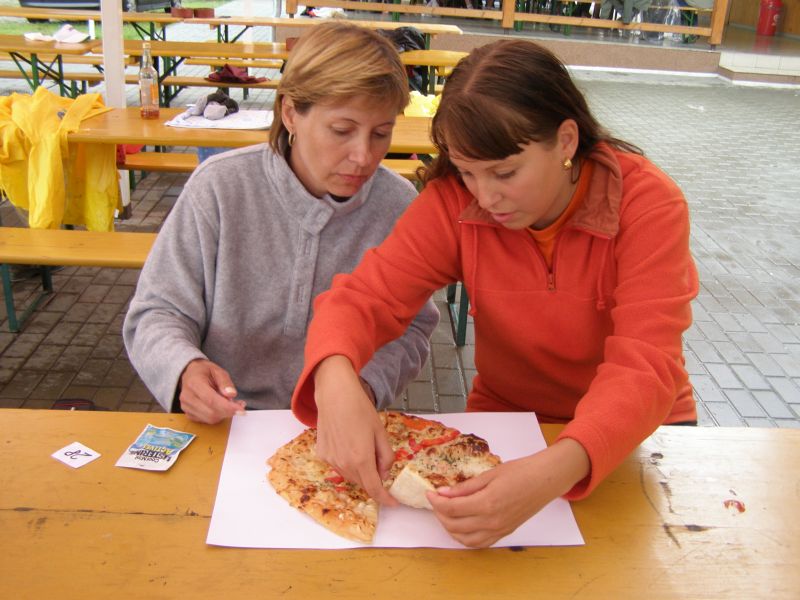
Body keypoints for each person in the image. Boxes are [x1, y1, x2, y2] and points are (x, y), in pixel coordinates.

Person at [291, 39, 699, 547]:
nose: (485, 196)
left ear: (566, 141)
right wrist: (335, 378)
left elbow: (646, 366)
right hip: (509, 420)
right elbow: (363, 299)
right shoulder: (455, 204)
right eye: (467, 172)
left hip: (642, 433)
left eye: (505, 173)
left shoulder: (647, 203)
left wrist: (556, 468)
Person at [123, 22, 439, 424]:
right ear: (290, 113)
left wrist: (365, 385)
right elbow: (157, 311)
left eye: (381, 133)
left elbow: (413, 328)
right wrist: (184, 368)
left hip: (341, 422)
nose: (363, 156)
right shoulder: (219, 187)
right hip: (226, 422)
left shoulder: (398, 205)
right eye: (342, 130)